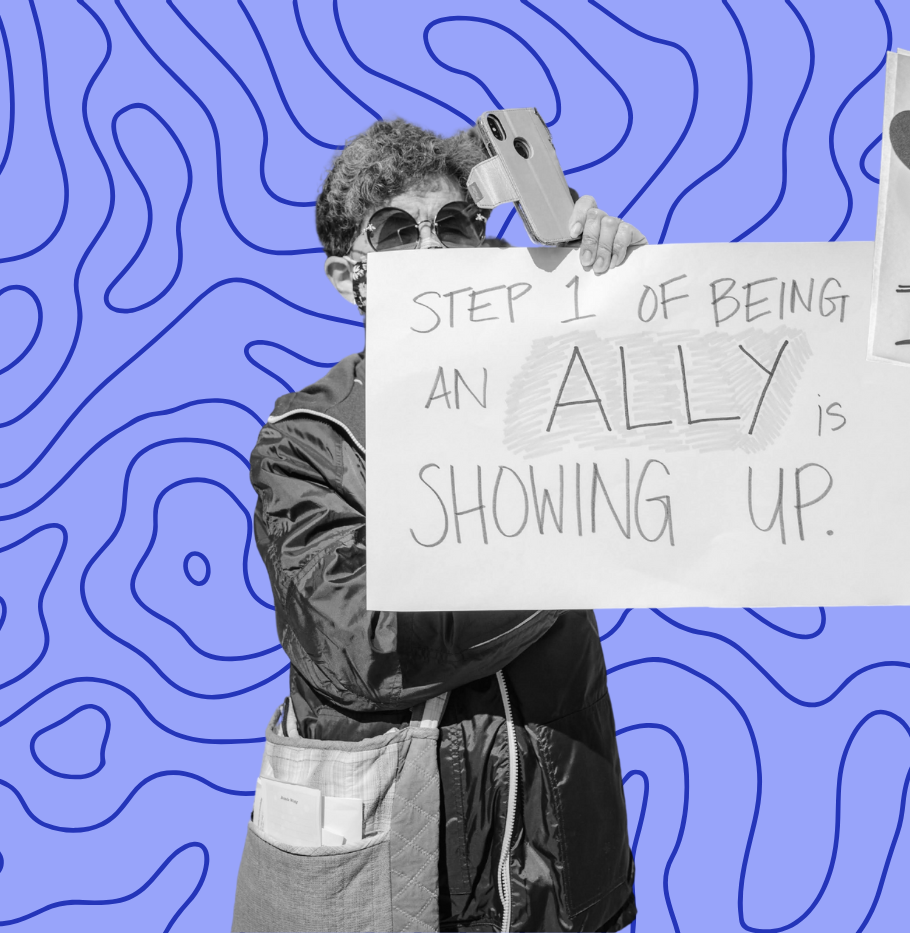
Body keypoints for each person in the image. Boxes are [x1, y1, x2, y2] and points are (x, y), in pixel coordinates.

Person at [249, 117, 647, 931]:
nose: (434, 253)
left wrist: (604, 280)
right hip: (395, 882)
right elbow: (374, 644)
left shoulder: (559, 388)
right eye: (397, 232)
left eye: (457, 225)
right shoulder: (308, 441)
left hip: (560, 881)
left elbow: (685, 467)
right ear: (347, 275)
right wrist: (576, 554)